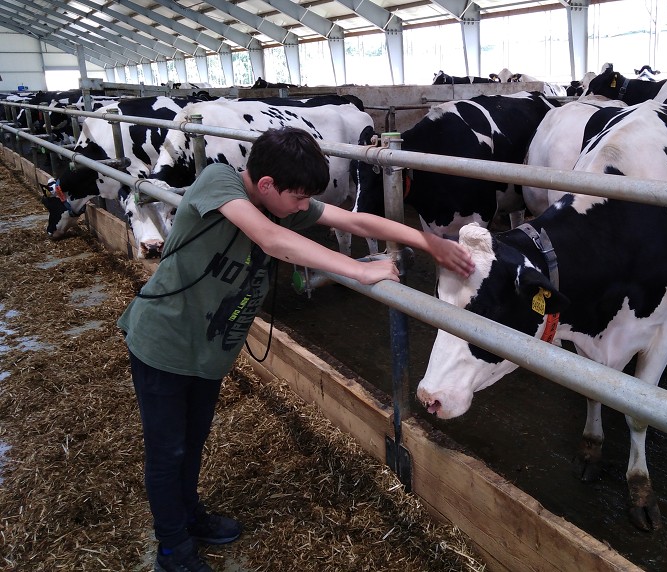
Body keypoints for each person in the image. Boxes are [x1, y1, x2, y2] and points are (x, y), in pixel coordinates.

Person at [117, 126, 474, 572]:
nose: (305, 208)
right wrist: (358, 270)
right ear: (266, 185)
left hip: (208, 349)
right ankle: (171, 549)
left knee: (192, 441)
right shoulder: (219, 182)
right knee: (168, 450)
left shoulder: (282, 204)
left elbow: (353, 220)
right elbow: (271, 240)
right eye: (299, 198)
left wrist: (429, 241)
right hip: (163, 343)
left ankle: (189, 516)